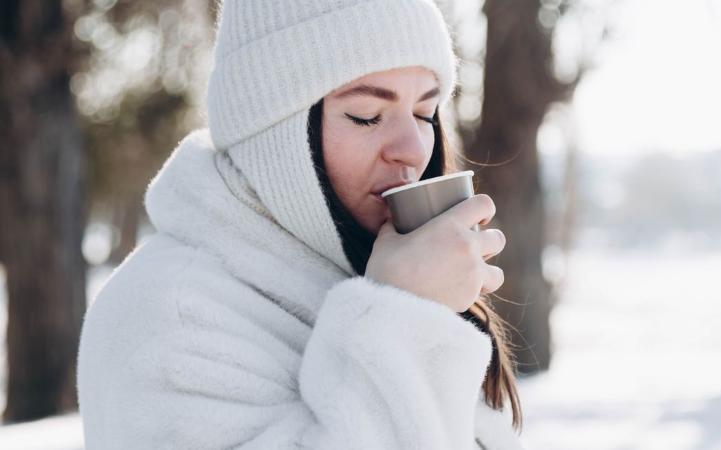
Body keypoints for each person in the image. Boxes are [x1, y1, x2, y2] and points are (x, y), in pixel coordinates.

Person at [77, 1, 524, 448]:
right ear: (274, 131)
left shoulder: (371, 267)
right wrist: (401, 319)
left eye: (425, 113)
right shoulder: (169, 321)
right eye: (366, 114)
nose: (412, 148)